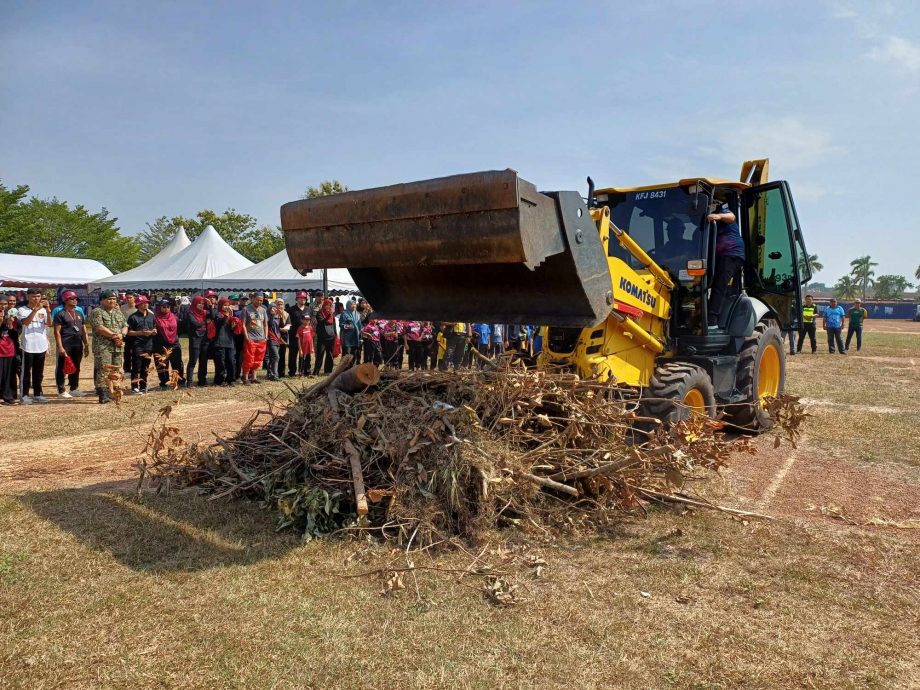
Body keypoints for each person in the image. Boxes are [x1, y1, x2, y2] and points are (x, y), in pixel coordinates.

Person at [706, 201, 745, 328]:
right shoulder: (707, 224)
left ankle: (712, 321)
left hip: (732, 254)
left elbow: (731, 217)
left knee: (719, 284)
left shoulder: (722, 214)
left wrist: (718, 216)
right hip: (719, 257)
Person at [88, 289, 128, 404]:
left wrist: (122, 334)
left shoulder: (118, 312)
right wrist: (114, 336)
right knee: (103, 370)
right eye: (109, 299)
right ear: (102, 300)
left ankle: (113, 392)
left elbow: (125, 325)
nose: (112, 301)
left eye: (114, 299)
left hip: (117, 346)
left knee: (116, 369)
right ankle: (102, 394)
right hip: (103, 347)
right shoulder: (97, 312)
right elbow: (99, 328)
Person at [52, 290, 89, 398]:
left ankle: (74, 388)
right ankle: (61, 390)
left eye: (76, 299)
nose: (75, 301)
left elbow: (83, 329)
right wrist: (60, 347)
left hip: (77, 344)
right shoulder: (60, 314)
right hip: (65, 344)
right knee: (62, 367)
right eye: (72, 299)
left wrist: (86, 345)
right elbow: (57, 332)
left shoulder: (79, 313)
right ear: (66, 300)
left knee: (76, 366)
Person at [17, 288, 50, 403]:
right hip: (28, 345)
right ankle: (24, 395)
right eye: (33, 296)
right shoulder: (21, 309)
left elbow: (49, 324)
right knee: (26, 372)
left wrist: (48, 310)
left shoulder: (43, 310)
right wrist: (35, 310)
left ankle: (37, 393)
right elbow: (25, 322)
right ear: (28, 297)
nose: (36, 299)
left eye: (38, 296)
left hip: (41, 345)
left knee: (39, 372)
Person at [126, 295, 157, 394]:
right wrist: (141, 333)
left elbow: (155, 327)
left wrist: (154, 331)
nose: (146, 304)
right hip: (137, 344)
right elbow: (129, 332)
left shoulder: (151, 315)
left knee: (145, 367)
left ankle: (143, 386)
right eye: (144, 303)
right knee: (136, 366)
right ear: (138, 305)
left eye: (147, 302)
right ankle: (134, 386)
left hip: (149, 344)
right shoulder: (133, 317)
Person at [152, 298, 184, 389]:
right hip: (160, 344)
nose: (166, 308)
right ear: (159, 307)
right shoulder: (155, 318)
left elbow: (180, 329)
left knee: (177, 363)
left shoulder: (174, 317)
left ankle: (178, 380)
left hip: (174, 343)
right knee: (162, 364)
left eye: (168, 307)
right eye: (164, 307)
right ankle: (164, 382)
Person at [183, 295, 211, 387]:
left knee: (203, 361)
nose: (201, 305)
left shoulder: (204, 312)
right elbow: (195, 323)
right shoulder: (190, 312)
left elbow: (213, 315)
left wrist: (210, 305)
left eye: (203, 303)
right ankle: (190, 382)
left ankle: (202, 381)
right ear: (195, 303)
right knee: (193, 361)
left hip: (204, 339)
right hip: (195, 339)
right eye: (199, 303)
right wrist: (205, 322)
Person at [241, 292, 268, 384]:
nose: (260, 302)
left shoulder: (263, 310)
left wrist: (266, 336)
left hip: (261, 339)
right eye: (258, 300)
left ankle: (254, 377)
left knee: (258, 359)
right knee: (249, 358)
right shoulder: (246, 309)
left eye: (261, 300)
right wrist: (247, 337)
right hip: (251, 338)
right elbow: (243, 324)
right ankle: (245, 377)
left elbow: (265, 324)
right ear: (253, 299)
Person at [213, 298, 241, 386]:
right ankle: (220, 380)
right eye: (224, 305)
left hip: (229, 341)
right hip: (220, 342)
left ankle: (231, 379)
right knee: (221, 362)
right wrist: (227, 314)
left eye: (227, 305)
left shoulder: (230, 316)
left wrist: (234, 325)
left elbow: (232, 329)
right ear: (220, 305)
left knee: (231, 361)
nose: (226, 307)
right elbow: (221, 323)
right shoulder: (218, 315)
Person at [286, 291, 311, 377]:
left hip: (305, 336)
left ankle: (304, 371)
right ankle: (292, 372)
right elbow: (288, 322)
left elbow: (310, 322)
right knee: (293, 354)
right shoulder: (291, 310)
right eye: (301, 298)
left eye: (304, 298)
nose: (302, 300)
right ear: (297, 299)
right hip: (294, 336)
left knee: (305, 354)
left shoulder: (308, 309)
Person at [265, 298, 289, 381]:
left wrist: (281, 316)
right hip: (271, 338)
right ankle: (275, 375)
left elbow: (281, 326)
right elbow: (270, 324)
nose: (274, 309)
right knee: (276, 356)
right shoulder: (268, 315)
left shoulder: (278, 316)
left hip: (278, 338)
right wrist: (272, 314)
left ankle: (269, 374)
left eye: (275, 307)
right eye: (273, 307)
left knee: (272, 357)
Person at [1, 307, 20, 404]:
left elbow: (15, 336)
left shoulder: (9, 321)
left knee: (9, 375)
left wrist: (11, 325)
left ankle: (8, 396)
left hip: (9, 351)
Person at [313, 298, 337, 375]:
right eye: (327, 305)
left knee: (330, 354)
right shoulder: (319, 313)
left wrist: (335, 335)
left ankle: (328, 371)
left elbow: (334, 325)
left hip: (331, 337)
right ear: (324, 305)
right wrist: (329, 314)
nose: (328, 306)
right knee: (320, 354)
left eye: (330, 305)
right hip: (322, 337)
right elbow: (321, 322)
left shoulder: (332, 314)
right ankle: (316, 371)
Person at [339, 300, 363, 366]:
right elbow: (341, 324)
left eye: (354, 304)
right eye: (352, 304)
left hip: (355, 337)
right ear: (348, 305)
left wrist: (360, 337)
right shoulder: (344, 314)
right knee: (346, 354)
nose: (354, 306)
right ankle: (343, 370)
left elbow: (360, 327)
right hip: (347, 338)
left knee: (354, 354)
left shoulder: (358, 314)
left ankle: (351, 368)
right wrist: (348, 326)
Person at [119, 293, 137, 375]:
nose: (128, 299)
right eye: (127, 298)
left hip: (136, 332)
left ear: (134, 298)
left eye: (130, 297)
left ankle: (136, 368)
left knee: (136, 352)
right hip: (125, 332)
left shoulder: (138, 307)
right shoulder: (122, 307)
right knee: (126, 352)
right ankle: (127, 369)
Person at [232, 294, 249, 380]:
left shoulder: (249, 309)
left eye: (246, 300)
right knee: (238, 356)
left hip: (248, 335)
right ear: (239, 300)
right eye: (243, 299)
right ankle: (237, 374)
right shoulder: (234, 309)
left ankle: (246, 375)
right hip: (237, 336)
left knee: (247, 355)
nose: (245, 301)